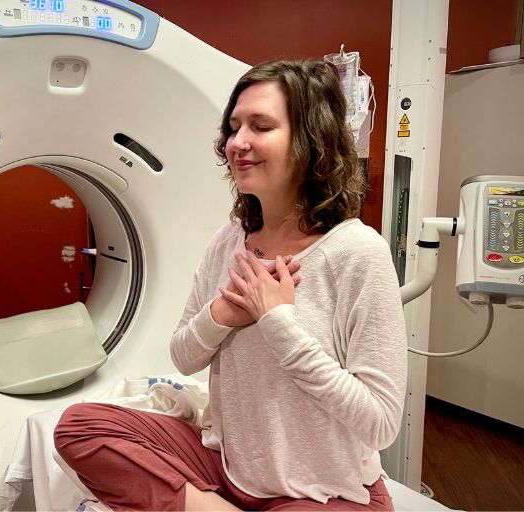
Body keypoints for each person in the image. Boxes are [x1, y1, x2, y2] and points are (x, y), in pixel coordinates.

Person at [54, 60, 407, 511]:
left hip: (321, 489)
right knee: (79, 429)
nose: (237, 143)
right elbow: (184, 356)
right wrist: (222, 314)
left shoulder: (357, 253)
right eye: (234, 127)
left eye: (260, 126)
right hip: (226, 466)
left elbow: (380, 425)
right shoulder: (230, 240)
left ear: (310, 141)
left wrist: (279, 324)